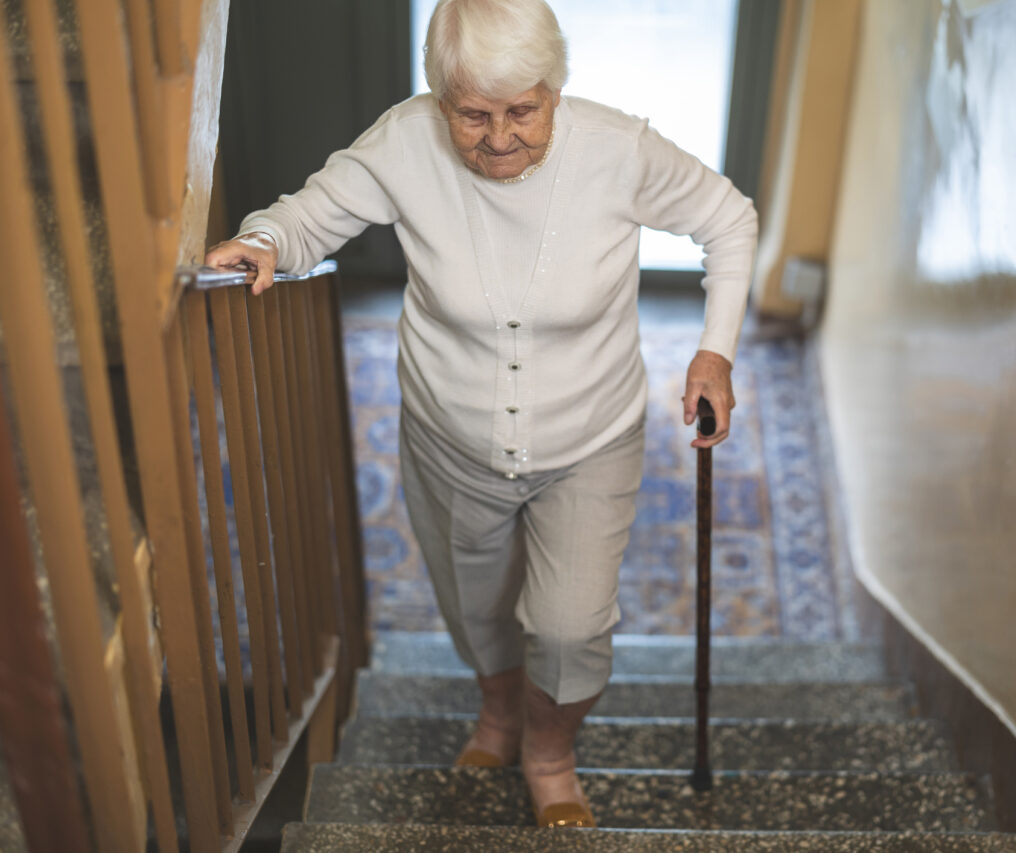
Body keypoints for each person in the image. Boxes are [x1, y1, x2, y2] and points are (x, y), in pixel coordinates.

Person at [205, 0, 756, 828]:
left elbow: (729, 218)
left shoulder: (618, 151)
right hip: (450, 441)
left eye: (522, 112)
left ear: (555, 91)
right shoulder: (404, 140)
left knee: (571, 630)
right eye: (472, 114)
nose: (498, 137)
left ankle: (549, 747)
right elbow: (310, 215)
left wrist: (714, 348)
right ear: (440, 99)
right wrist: (266, 241)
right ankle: (498, 710)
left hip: (591, 439)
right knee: (477, 609)